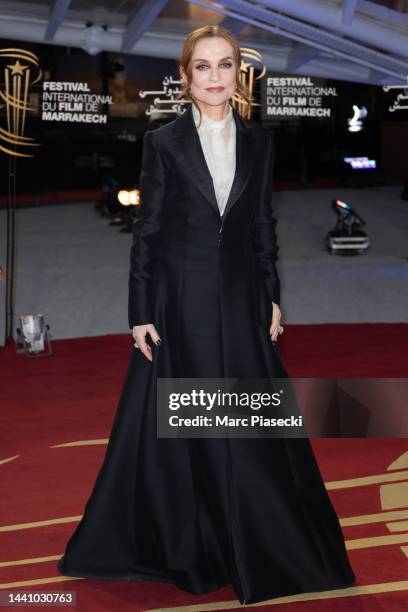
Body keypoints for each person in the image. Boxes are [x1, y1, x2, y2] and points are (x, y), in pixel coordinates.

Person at [58, 25, 356, 606]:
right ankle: (196, 543)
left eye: (226, 65)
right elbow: (147, 232)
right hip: (181, 299)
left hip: (243, 298)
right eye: (204, 67)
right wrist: (140, 310)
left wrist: (272, 296)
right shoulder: (163, 142)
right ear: (186, 76)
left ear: (239, 74)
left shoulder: (261, 142)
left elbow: (264, 229)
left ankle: (260, 541)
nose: (216, 77)